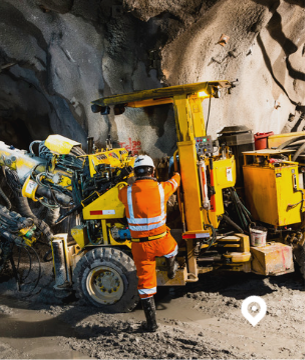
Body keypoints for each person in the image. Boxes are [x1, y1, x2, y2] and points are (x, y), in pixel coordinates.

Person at [118, 154, 181, 332]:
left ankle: (151, 325)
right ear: (153, 171)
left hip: (140, 246)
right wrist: (176, 173)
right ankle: (170, 269)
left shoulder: (126, 192)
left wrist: (124, 179)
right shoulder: (162, 188)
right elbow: (175, 182)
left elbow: (120, 190)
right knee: (173, 249)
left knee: (145, 285)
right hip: (161, 240)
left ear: (135, 173)